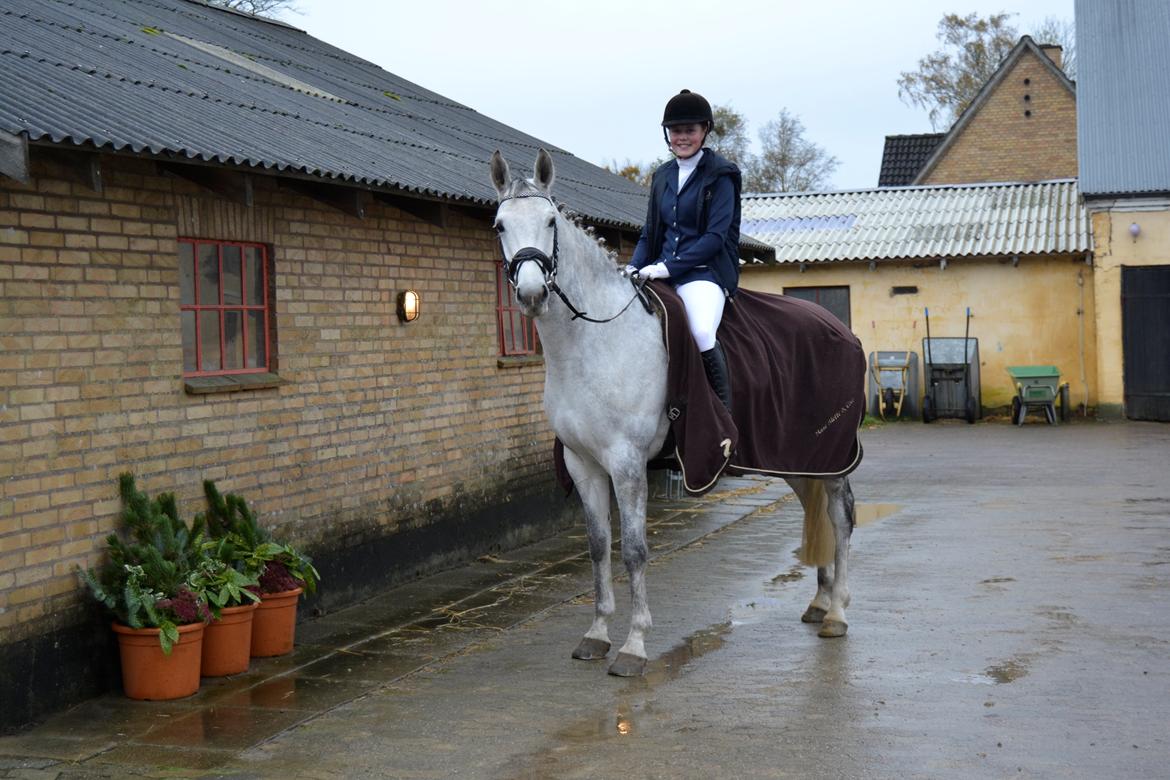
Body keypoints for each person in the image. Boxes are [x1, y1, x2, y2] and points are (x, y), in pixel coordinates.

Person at [627, 89, 742, 414]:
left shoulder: (721, 175)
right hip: (660, 272)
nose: (682, 137)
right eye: (676, 131)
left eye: (690, 130)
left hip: (705, 273)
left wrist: (666, 268)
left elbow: (715, 238)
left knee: (702, 331)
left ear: (705, 130)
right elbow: (651, 233)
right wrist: (633, 267)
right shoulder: (662, 175)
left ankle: (723, 419)